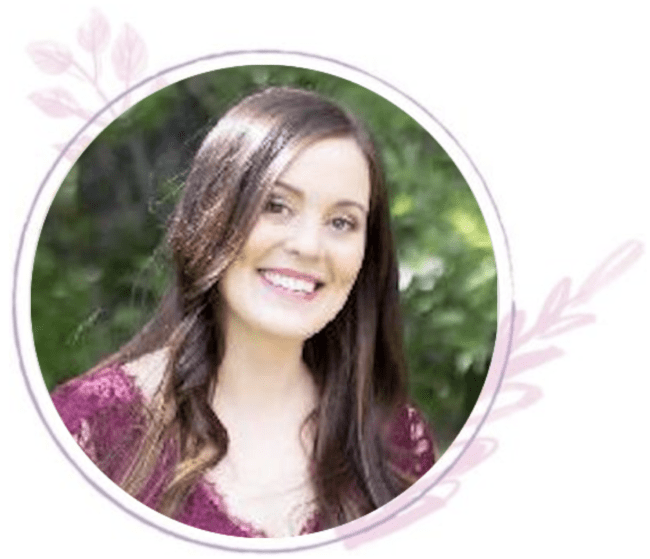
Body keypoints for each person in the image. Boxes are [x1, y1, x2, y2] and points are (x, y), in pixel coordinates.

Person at [51, 86, 437, 538]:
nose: (309, 246)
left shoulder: (397, 444)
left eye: (341, 222)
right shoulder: (87, 429)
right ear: (215, 214)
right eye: (276, 205)